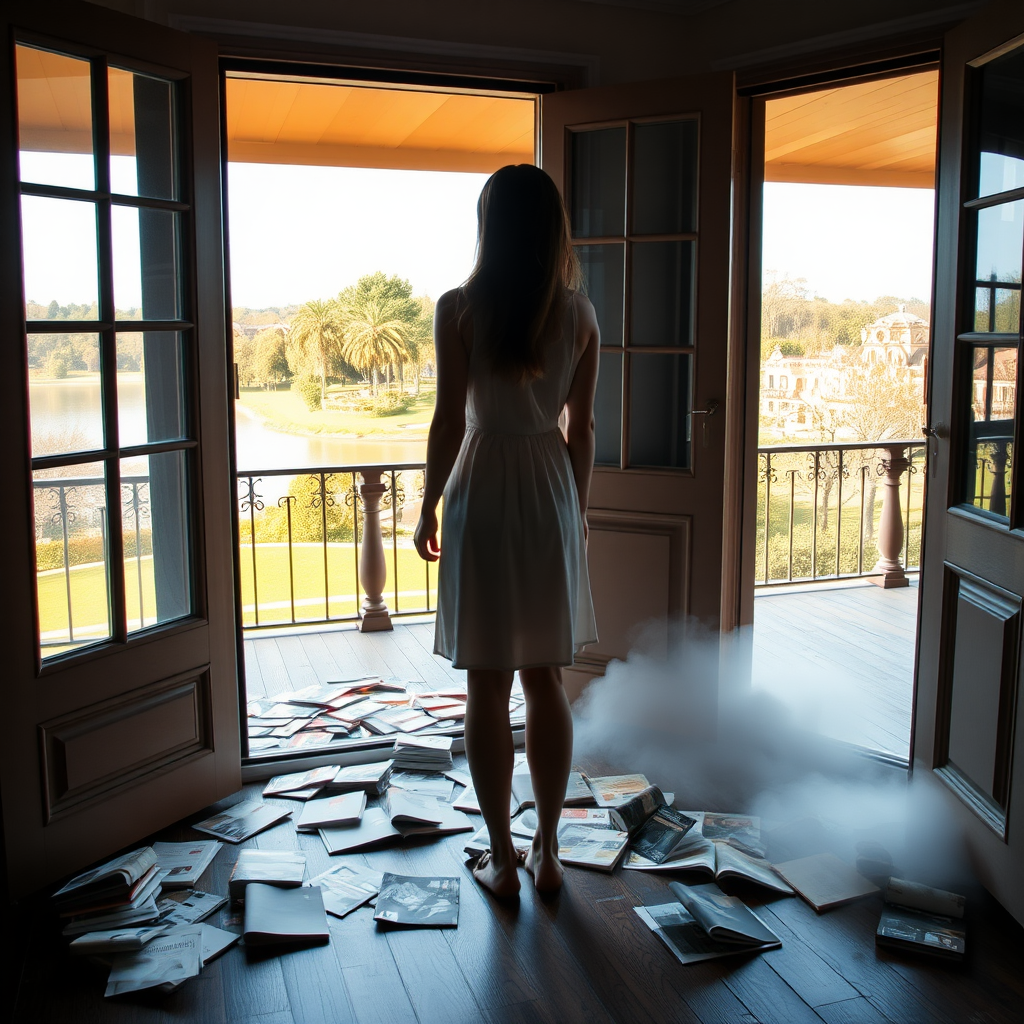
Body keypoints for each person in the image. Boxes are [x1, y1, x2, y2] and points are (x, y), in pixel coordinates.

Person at [414, 164, 599, 898]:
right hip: (548, 488)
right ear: (553, 228)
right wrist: (575, 510)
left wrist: (428, 503)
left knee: (485, 685)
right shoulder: (581, 315)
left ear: (489, 226)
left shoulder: (459, 308)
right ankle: (550, 853)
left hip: (482, 485)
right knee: (544, 678)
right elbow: (581, 431)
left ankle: (503, 857)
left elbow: (443, 419)